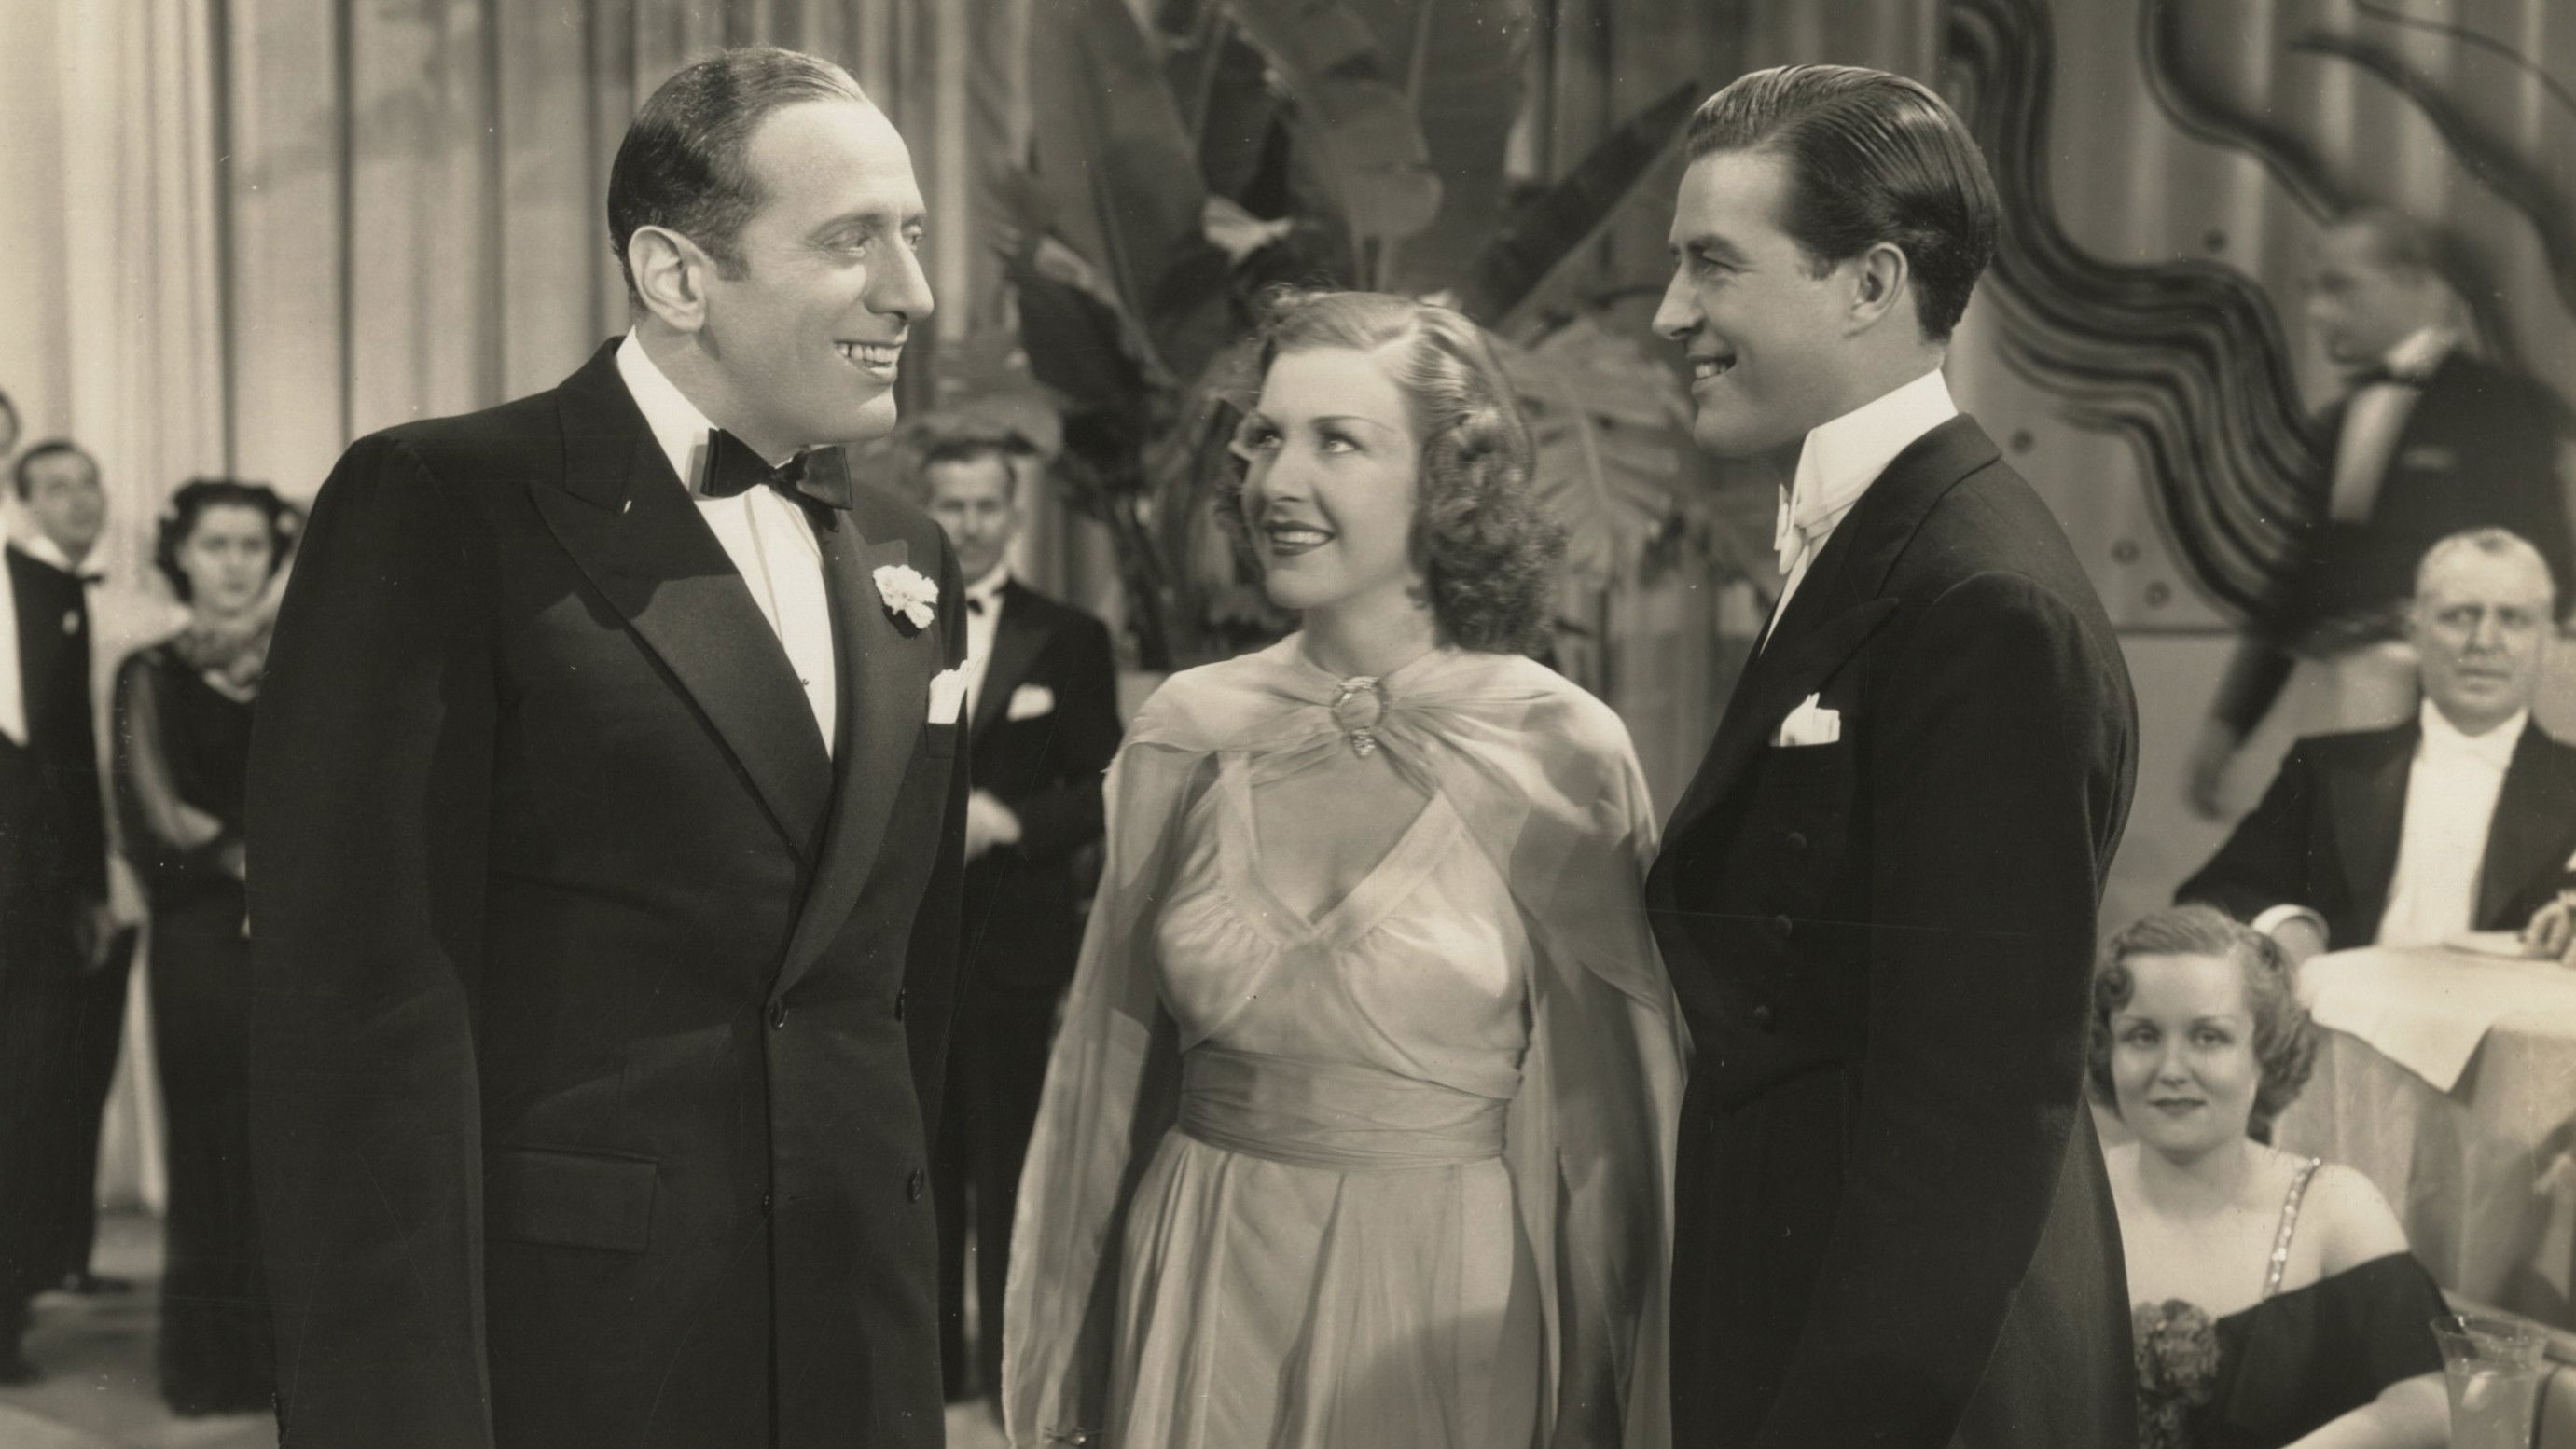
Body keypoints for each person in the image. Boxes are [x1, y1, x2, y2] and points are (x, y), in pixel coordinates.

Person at [245, 48, 968, 1449]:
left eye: (913, 233)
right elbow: (357, 1019)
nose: (912, 292)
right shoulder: (441, 499)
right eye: (850, 240)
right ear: (676, 275)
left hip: (852, 1335)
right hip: (578, 1352)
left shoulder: (910, 551)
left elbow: (895, 990)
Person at [1003, 290, 1684, 1449]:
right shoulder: (1189, 727)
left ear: (1449, 479)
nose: (1275, 481)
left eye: (1336, 442)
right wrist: (1062, 1374)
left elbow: (1618, 1143)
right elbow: (1102, 1084)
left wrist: (1600, 1419)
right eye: (1265, 437)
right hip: (1199, 1283)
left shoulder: (1559, 750)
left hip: (1434, 1313)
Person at [1643, 64, 2140, 1448]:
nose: (1669, 312)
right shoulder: (1879, 535)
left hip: (1905, 1380)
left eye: (1711, 265)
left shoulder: (1981, 598)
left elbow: (1972, 1112)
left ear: (1868, 284)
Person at [2186, 209, 2574, 818]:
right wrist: (2228, 725)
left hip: (2458, 732)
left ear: (2415, 283)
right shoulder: (2341, 422)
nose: (2318, 312)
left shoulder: (2499, 407)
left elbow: (2546, 572)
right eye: (2312, 292)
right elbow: (2300, 580)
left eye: (2340, 287)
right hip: (2347, 716)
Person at [898, 416, 1123, 1406]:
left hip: (1015, 947)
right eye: (953, 505)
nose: (972, 523)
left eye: (988, 504)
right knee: (918, 1162)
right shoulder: (884, 615)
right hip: (905, 943)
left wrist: (1010, 822)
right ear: (925, 510)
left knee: (1008, 1165)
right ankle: (928, 1380)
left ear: (1015, 513)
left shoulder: (1068, 639)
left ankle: (1007, 1384)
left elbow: (1108, 787)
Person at [2093, 905, 2449, 1449]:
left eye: (2208, 1037)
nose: (2172, 1069)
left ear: (2266, 1052)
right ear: (2106, 1050)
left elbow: (2432, 1401)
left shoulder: (2334, 1205)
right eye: (2142, 1036)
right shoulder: (2068, 1199)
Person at [114, 478, 298, 1414]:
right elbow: (153, 813)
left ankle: (290, 1369)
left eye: (251, 547)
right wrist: (252, 863)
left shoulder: (306, 664)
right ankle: (211, 1369)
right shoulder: (149, 675)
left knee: (291, 1143)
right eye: (214, 545)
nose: (233, 564)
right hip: (201, 938)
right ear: (180, 556)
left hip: (297, 934)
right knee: (212, 1141)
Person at [2180, 529, 2576, 959]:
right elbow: (2214, 893)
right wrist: (2285, 926)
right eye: (2459, 616)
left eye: (2513, 619)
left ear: (2549, 644)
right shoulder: (2325, 769)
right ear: (2414, 632)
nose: (2483, 642)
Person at [0, 440, 149, 1382]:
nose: (80, 498)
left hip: (87, 878)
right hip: (44, 882)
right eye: (56, 486)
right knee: (31, 1092)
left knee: (68, 1081)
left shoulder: (109, 600)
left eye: (90, 481)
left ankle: (55, 1263)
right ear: (24, 501)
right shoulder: (28, 591)